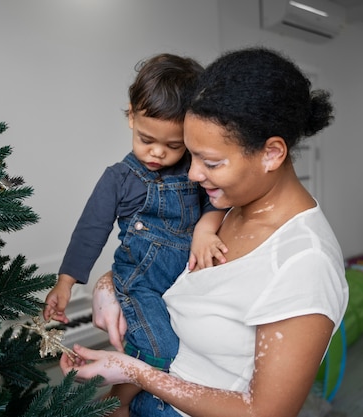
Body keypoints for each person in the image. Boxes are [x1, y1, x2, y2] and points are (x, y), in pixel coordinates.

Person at [60, 46, 350, 417]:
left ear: (271, 153)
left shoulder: (304, 263)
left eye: (211, 162)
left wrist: (137, 372)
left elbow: (263, 412)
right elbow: (175, 273)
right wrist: (108, 286)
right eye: (191, 156)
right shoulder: (220, 211)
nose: (193, 175)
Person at [43, 53, 228, 416]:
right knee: (159, 349)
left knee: (182, 351)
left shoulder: (195, 171)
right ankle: (118, 404)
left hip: (183, 281)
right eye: (147, 139)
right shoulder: (119, 178)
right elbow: (90, 229)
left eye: (174, 146)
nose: (158, 152)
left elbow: (218, 202)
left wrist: (206, 227)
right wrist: (65, 283)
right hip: (139, 283)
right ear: (131, 116)